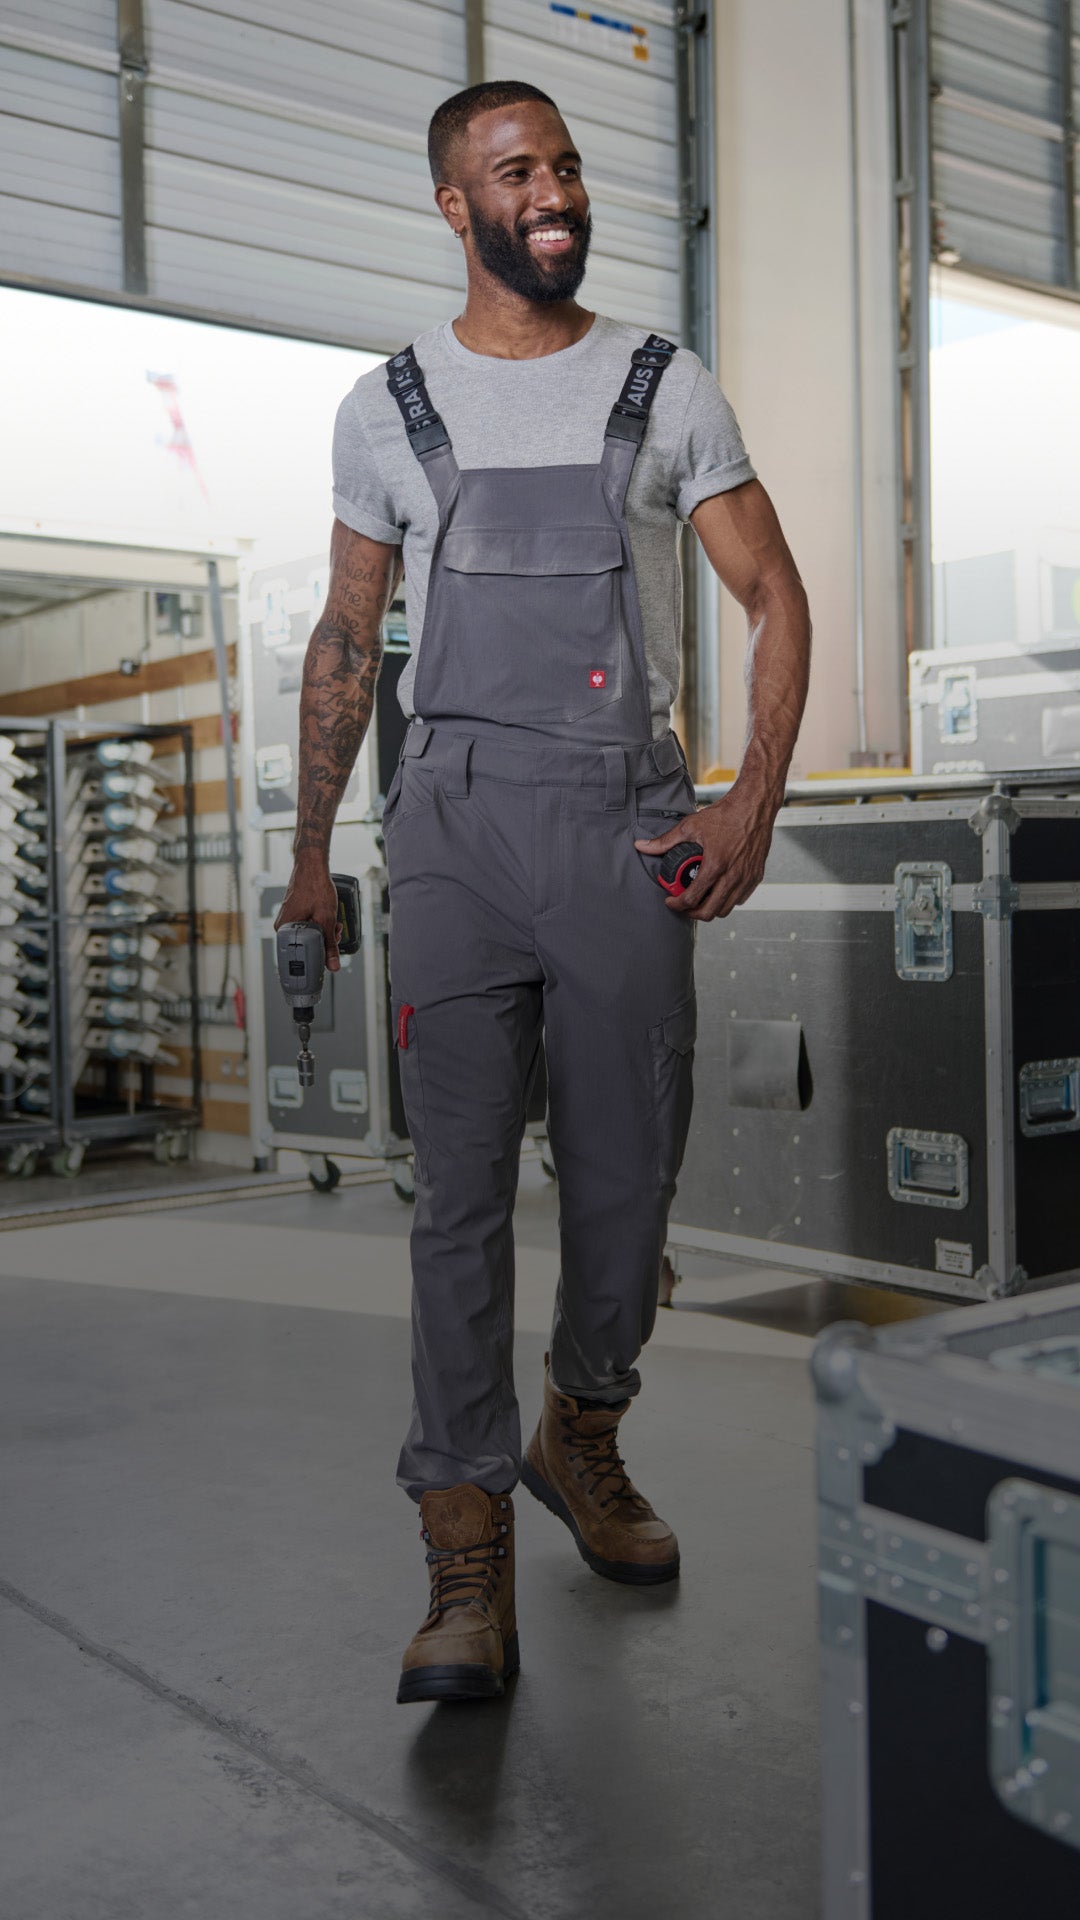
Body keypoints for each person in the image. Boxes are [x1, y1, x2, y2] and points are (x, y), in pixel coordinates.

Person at [276, 80, 811, 1706]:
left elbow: (775, 596)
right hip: (448, 829)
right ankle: (462, 1552)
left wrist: (751, 801)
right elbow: (347, 636)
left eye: (568, 163)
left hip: (625, 824)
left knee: (624, 1185)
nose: (555, 189)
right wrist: (310, 857)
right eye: (519, 171)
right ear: (458, 205)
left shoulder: (667, 384)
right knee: (452, 1199)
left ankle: (582, 1433)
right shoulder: (387, 408)